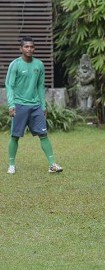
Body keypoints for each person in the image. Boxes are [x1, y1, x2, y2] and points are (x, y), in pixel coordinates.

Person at [4, 36, 63, 174]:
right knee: (15, 136)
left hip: (35, 106)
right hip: (19, 105)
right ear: (21, 48)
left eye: (31, 47)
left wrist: (43, 106)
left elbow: (40, 87)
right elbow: (9, 85)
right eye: (26, 47)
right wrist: (11, 105)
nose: (29, 49)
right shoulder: (15, 64)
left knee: (43, 135)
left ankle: (52, 164)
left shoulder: (39, 65)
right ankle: (11, 165)